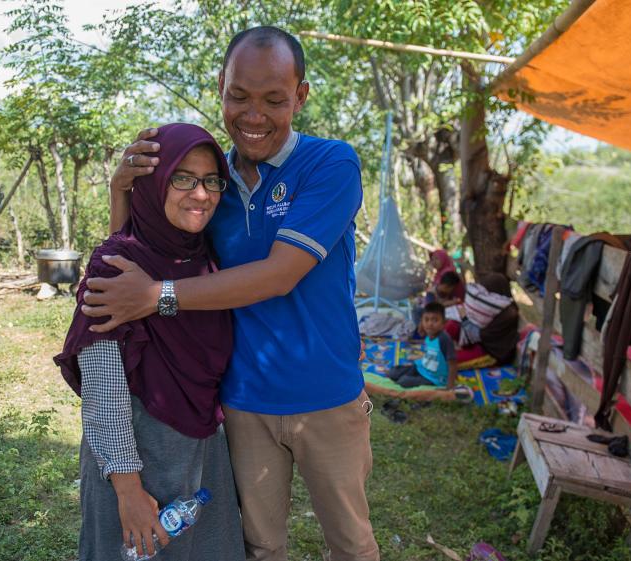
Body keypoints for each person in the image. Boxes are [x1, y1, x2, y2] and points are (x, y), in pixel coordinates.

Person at [80, 27, 379, 561]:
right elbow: (148, 247)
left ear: (301, 96)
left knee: (352, 545)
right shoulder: (208, 176)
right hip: (242, 402)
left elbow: (280, 273)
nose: (254, 115)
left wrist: (156, 296)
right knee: (261, 546)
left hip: (327, 397)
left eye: (274, 99)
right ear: (220, 86)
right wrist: (122, 192)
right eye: (239, 95)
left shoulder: (330, 165)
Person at [54, 124, 245, 561]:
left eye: (211, 180)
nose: (201, 194)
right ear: (154, 183)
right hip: (138, 456)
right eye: (183, 178)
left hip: (202, 450)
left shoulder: (204, 260)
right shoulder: (117, 265)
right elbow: (103, 391)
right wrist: (128, 490)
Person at [388, 302, 458, 389]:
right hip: (422, 367)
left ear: (443, 323)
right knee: (393, 372)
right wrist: (419, 358)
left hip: (433, 378)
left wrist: (450, 386)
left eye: (435, 320)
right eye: (426, 320)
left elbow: (453, 363)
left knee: (403, 382)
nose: (430, 324)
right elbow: (432, 353)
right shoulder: (430, 334)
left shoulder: (444, 339)